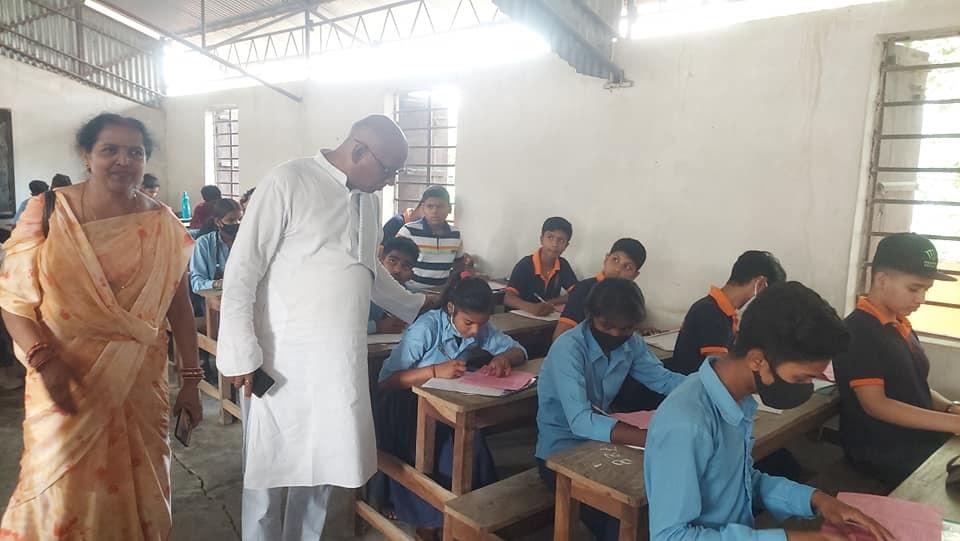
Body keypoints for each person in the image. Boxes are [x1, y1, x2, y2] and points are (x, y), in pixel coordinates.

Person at [217, 115, 429, 541]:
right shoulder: (289, 181)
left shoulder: (367, 201)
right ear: (358, 151)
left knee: (323, 467)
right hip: (280, 362)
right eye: (388, 170)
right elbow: (242, 271)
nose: (390, 181)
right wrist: (240, 353)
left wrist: (418, 305)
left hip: (338, 364)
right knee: (269, 471)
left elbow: (369, 272)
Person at [0, 113, 203, 538]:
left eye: (135, 152)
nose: (123, 161)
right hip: (63, 377)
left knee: (141, 481)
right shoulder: (49, 210)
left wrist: (190, 380)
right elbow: (13, 300)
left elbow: (179, 307)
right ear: (87, 155)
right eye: (110, 149)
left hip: (138, 381)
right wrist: (43, 360)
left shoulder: (163, 224)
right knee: (59, 490)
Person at [645, 282, 893, 541]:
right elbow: (670, 536)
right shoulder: (688, 423)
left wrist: (819, 501)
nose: (806, 386)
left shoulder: (736, 399)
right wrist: (792, 539)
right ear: (758, 360)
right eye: (800, 378)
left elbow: (740, 482)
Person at [376, 274, 526, 540]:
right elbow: (386, 381)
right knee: (438, 448)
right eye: (468, 323)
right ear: (451, 308)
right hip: (406, 403)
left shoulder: (477, 325)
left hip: (448, 400)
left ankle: (471, 513)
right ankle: (428, 520)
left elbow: (518, 350)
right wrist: (434, 371)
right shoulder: (426, 329)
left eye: (481, 324)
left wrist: (504, 358)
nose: (475, 331)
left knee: (472, 441)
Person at [536, 278, 685, 541]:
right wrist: (651, 438)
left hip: (604, 444)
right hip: (560, 451)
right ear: (590, 315)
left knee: (665, 501)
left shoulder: (631, 343)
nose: (616, 335)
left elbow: (663, 380)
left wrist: (709, 390)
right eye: (607, 326)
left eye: (625, 328)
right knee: (617, 522)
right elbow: (581, 422)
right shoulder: (568, 348)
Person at [835, 233, 959, 487]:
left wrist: (949, 408)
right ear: (881, 280)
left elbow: (913, 386)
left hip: (915, 440)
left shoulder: (898, 323)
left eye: (925, 290)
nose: (921, 299)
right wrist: (953, 423)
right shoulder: (859, 331)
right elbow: (876, 404)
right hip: (882, 451)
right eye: (914, 289)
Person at [672, 250, 787, 375]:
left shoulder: (724, 312)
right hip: (695, 385)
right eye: (768, 294)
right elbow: (721, 373)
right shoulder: (710, 312)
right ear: (759, 283)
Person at [553, 237, 646, 340]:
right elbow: (560, 336)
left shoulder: (631, 296)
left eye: (627, 267)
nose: (617, 269)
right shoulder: (584, 289)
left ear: (635, 275)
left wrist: (639, 329)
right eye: (615, 260)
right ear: (606, 259)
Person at [504, 217, 578, 317]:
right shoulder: (525, 265)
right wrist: (532, 308)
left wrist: (550, 302)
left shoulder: (563, 265)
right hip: (520, 318)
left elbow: (577, 293)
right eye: (550, 237)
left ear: (566, 246)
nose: (554, 244)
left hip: (546, 319)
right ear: (541, 239)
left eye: (561, 240)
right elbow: (508, 298)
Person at [396, 186, 464, 291]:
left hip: (441, 293)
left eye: (440, 206)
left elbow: (459, 264)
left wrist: (449, 287)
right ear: (423, 208)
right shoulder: (408, 231)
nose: (435, 211)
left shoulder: (455, 234)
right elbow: (394, 262)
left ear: (449, 208)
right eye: (430, 206)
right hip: (411, 292)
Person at [190, 198, 242, 294]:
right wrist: (216, 284)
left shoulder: (246, 242)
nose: (236, 224)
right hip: (214, 297)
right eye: (231, 220)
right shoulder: (204, 243)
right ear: (218, 221)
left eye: (240, 219)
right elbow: (196, 283)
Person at [369, 237, 419, 334]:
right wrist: (377, 326)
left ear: (411, 274)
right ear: (380, 261)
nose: (397, 270)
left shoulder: (414, 297)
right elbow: (343, 326)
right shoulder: (364, 291)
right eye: (392, 261)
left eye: (406, 266)